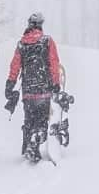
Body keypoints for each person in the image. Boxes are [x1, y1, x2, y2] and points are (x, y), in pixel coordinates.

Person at [5, 12, 61, 161]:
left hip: (28, 92)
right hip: (44, 90)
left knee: (29, 121)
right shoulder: (47, 41)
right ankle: (34, 142)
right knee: (42, 121)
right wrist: (56, 83)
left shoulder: (22, 44)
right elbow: (54, 63)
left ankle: (27, 149)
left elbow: (15, 66)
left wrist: (9, 84)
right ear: (40, 25)